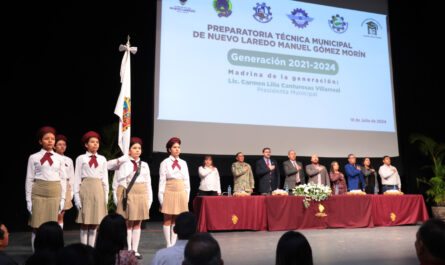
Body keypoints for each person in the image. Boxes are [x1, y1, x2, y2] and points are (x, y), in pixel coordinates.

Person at [26, 126, 66, 251]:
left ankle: (52, 254)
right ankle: (36, 255)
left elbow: (63, 179)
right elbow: (29, 179)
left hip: (54, 192)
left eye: (52, 139)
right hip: (39, 193)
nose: (50, 141)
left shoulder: (60, 158)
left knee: (53, 227)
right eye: (46, 138)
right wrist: (28, 200)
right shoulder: (34, 157)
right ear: (40, 141)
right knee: (36, 226)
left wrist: (63, 198)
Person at [115, 137, 153, 259]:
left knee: (138, 222)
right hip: (129, 193)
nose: (137, 150)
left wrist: (149, 199)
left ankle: (135, 250)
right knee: (129, 222)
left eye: (139, 148)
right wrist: (117, 198)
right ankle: (128, 249)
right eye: (134, 148)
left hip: (142, 193)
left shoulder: (145, 165)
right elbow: (117, 182)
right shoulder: (124, 164)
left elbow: (148, 183)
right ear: (129, 151)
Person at [73, 131, 109, 247]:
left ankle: (91, 248)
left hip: (98, 189)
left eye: (97, 142)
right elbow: (77, 178)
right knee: (85, 221)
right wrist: (77, 198)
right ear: (86, 145)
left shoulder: (102, 159)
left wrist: (106, 196)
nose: (95, 144)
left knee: (95, 221)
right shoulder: (81, 158)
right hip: (86, 189)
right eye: (92, 142)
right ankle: (84, 249)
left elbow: (105, 179)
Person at [159, 137, 190, 247]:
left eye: (178, 147)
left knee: (177, 219)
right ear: (169, 149)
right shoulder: (165, 163)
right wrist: (161, 197)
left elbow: (186, 180)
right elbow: (162, 181)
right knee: (168, 218)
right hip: (169, 190)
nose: (177, 149)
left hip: (181, 190)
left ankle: (173, 242)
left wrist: (187, 196)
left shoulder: (183, 163)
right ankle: (168, 243)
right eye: (174, 147)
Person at [54, 134, 75, 229]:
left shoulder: (69, 160)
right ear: (54, 146)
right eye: (59, 144)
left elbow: (71, 176)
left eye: (64, 144)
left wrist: (72, 192)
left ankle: (58, 235)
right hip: (54, 185)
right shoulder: (51, 158)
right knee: (53, 213)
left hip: (66, 187)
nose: (62, 146)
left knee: (61, 213)